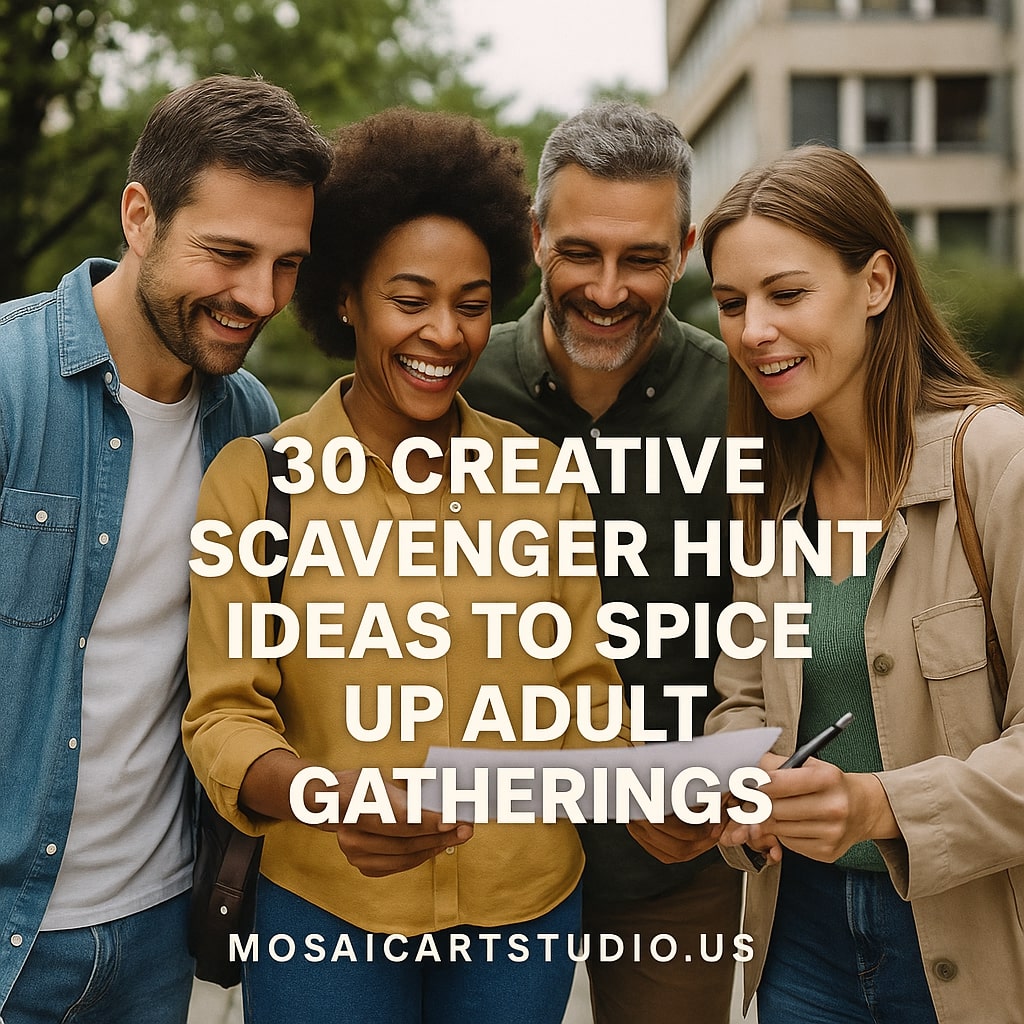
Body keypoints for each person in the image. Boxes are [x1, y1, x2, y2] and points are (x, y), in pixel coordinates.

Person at [183, 106, 705, 1024]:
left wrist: (642, 790)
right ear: (347, 296)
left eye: (471, 305)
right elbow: (224, 715)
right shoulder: (260, 481)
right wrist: (325, 793)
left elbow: (581, 694)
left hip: (525, 914)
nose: (445, 334)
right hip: (325, 909)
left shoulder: (541, 481)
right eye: (410, 299)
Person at [0, 75, 331, 1020]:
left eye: (286, 263)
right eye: (227, 253)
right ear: (139, 215)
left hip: (155, 934)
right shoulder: (9, 383)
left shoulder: (250, 426)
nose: (258, 297)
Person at [694, 145, 1024, 1023]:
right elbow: (740, 700)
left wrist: (877, 803)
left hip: (974, 941)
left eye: (786, 293)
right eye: (731, 303)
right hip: (798, 940)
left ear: (876, 282)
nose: (753, 329)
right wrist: (742, 776)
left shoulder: (994, 462)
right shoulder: (766, 492)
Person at [461, 101, 741, 1024]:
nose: (609, 289)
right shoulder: (453, 388)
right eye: (580, 251)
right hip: (478, 858)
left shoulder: (750, 405)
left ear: (688, 248)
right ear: (536, 236)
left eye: (643, 258)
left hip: (673, 863)